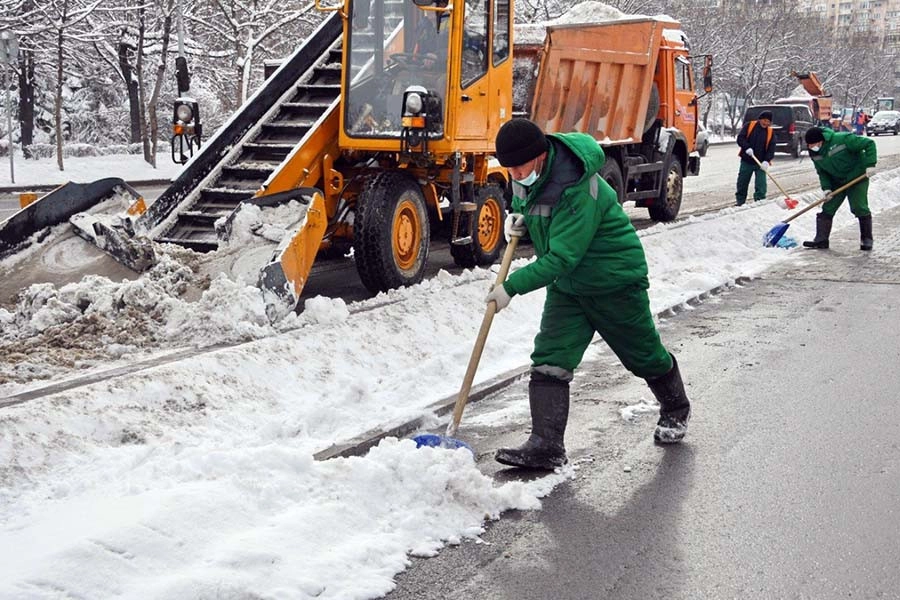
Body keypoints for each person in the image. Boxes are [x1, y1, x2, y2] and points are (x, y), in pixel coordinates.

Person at [485, 118, 692, 470]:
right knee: (551, 356)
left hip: (614, 281)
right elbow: (533, 206)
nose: (516, 174)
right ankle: (546, 444)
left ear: (540, 156)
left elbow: (563, 257)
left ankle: (676, 408)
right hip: (570, 289)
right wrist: (519, 218)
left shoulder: (578, 187)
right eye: (510, 168)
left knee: (643, 355)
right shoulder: (527, 175)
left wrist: (511, 287)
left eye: (520, 166)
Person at [802, 127, 878, 251]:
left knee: (859, 207)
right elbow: (822, 172)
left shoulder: (843, 139)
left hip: (857, 177)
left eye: (814, 144)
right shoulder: (815, 154)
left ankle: (866, 239)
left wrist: (870, 164)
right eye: (809, 145)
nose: (812, 147)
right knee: (828, 207)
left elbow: (869, 143)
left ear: (821, 141)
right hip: (836, 181)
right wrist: (826, 188)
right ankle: (821, 239)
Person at [734, 110, 776, 206]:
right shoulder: (750, 126)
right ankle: (740, 201)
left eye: (768, 122)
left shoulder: (770, 132)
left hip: (760, 163)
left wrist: (766, 160)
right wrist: (747, 147)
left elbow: (771, 148)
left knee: (761, 184)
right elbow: (740, 138)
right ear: (760, 119)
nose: (766, 123)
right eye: (764, 120)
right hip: (747, 160)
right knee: (742, 182)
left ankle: (760, 202)